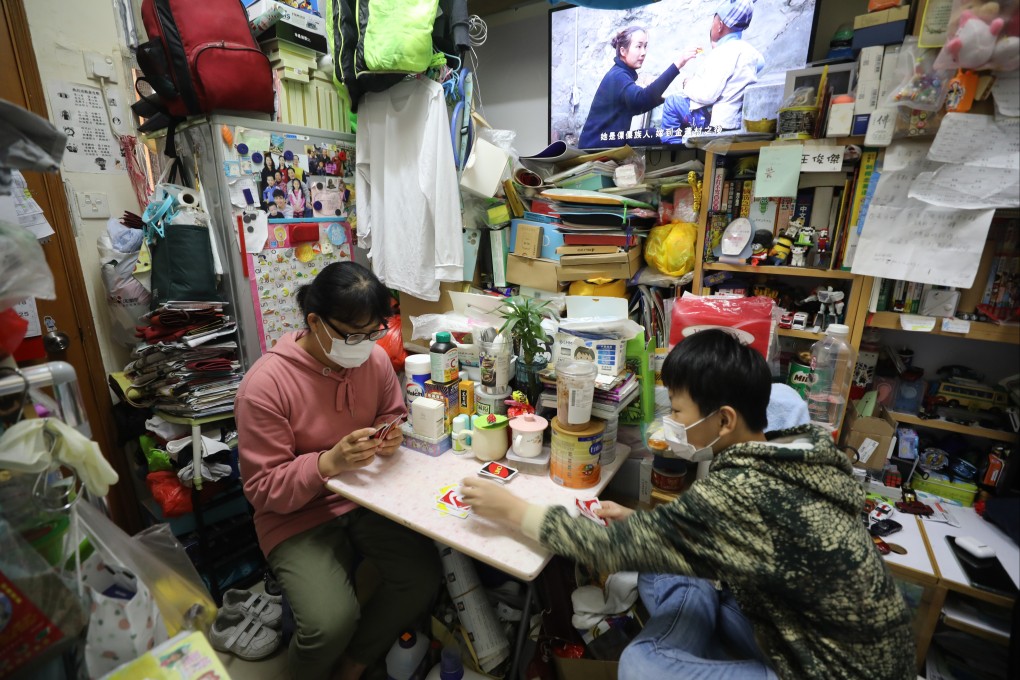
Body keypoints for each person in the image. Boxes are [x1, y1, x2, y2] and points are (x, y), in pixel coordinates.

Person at [461, 329, 914, 680]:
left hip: (832, 670)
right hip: (802, 633)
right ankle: (704, 643)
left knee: (641, 666)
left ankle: (688, 649)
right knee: (662, 563)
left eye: (677, 411)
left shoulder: (747, 489)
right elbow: (730, 539)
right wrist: (646, 526)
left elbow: (608, 549)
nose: (672, 422)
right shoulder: (797, 446)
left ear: (724, 419)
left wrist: (511, 509)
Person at [235, 263, 440, 680]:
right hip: (295, 516)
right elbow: (262, 488)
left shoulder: (375, 360)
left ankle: (355, 663)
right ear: (314, 322)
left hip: (364, 498)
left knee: (422, 576)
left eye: (373, 333)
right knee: (329, 623)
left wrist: (392, 435)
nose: (364, 346)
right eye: (352, 335)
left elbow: (392, 412)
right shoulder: (265, 385)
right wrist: (328, 462)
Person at [578, 26, 699, 149]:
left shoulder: (621, 74)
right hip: (595, 148)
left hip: (613, 141)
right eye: (638, 46)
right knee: (662, 134)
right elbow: (642, 100)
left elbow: (637, 105)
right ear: (623, 51)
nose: (643, 52)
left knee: (660, 133)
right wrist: (679, 63)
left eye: (645, 46)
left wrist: (669, 100)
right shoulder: (618, 76)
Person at [662, 0, 764, 140]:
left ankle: (673, 148)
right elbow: (759, 63)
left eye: (713, 21)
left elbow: (707, 95)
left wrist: (688, 84)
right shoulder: (749, 52)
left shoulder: (723, 52)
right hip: (737, 120)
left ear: (720, 26)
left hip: (718, 123)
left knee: (672, 102)